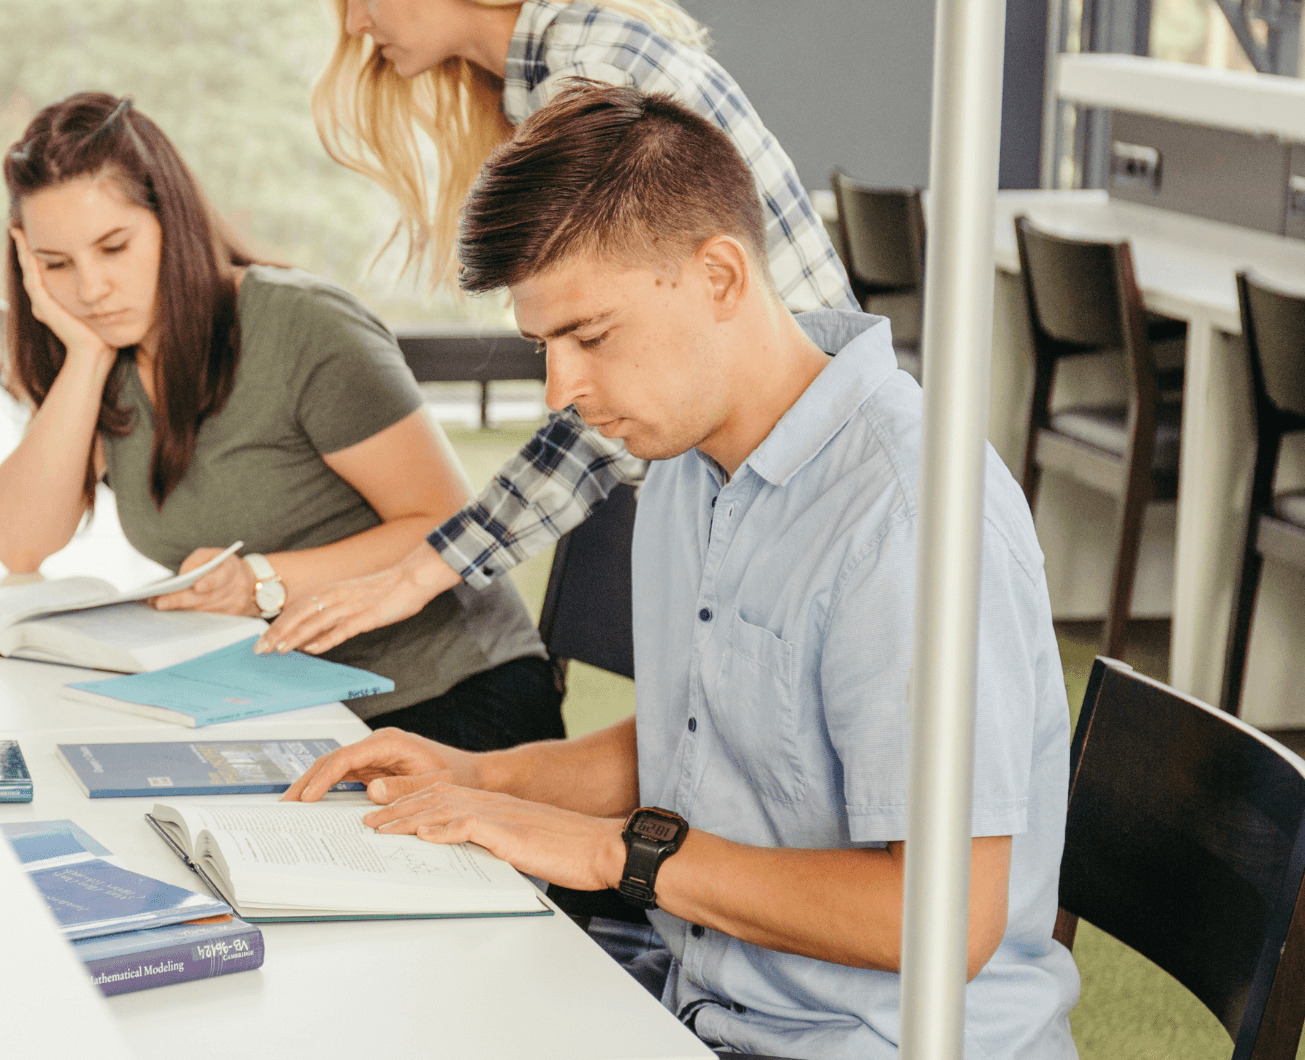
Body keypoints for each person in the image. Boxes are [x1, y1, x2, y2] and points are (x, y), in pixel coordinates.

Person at [285, 82, 1079, 1059]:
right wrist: (479, 779)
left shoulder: (905, 517)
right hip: (690, 1000)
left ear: (717, 277)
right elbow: (706, 734)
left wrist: (607, 852)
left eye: (589, 335)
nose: (559, 390)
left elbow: (941, 921)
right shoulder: (681, 464)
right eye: (543, 345)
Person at [263, 0, 856, 659]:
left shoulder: (588, 74)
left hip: (798, 481)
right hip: (751, 472)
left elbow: (614, 374)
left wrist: (428, 567)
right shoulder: (550, 72)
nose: (357, 23)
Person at [0, 91, 556, 750]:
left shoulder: (303, 326)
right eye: (56, 265)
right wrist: (83, 356)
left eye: (114, 247)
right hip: (277, 698)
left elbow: (450, 523)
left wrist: (261, 581)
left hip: (445, 698)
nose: (90, 288)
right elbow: (19, 544)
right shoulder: (103, 354)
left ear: (174, 221)